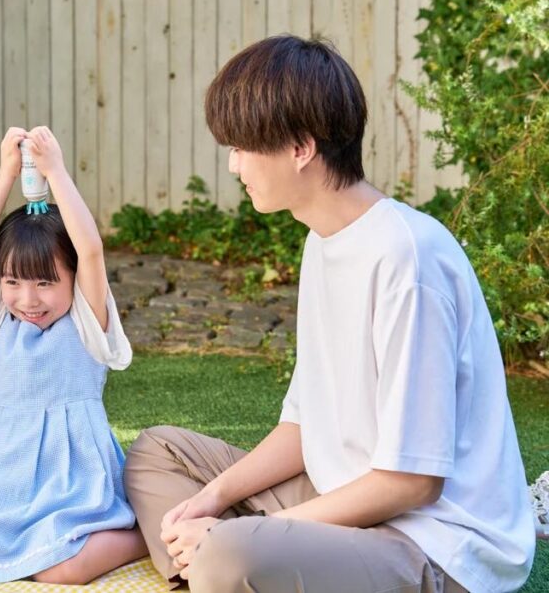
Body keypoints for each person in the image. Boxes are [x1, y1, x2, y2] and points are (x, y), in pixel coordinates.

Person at [124, 36, 535, 593]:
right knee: (157, 452)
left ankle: (223, 566)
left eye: (242, 146)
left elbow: (414, 482)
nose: (233, 164)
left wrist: (249, 531)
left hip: (433, 543)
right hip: (340, 500)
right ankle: (216, 570)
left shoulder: (406, 258)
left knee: (230, 549)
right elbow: (304, 426)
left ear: (300, 147)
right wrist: (212, 498)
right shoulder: (322, 241)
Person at [0, 126, 148, 585]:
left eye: (45, 282)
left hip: (69, 481)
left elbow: (91, 250)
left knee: (63, 569)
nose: (28, 299)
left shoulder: (85, 322)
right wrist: (6, 172)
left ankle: (148, 532)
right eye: (13, 281)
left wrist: (55, 171)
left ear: (72, 280)